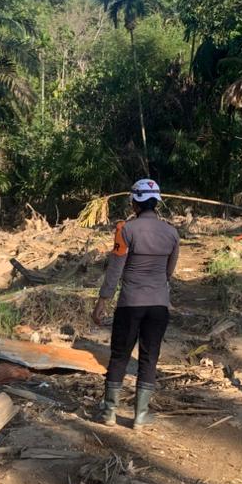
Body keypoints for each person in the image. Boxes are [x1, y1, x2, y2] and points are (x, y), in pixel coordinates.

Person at [91, 179, 181, 426]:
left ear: (135, 203)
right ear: (156, 203)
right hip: (159, 305)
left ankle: (109, 412)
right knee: (149, 358)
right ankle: (140, 416)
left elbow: (115, 270)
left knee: (120, 355)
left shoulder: (125, 230)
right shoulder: (172, 233)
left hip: (130, 304)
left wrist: (102, 301)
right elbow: (169, 272)